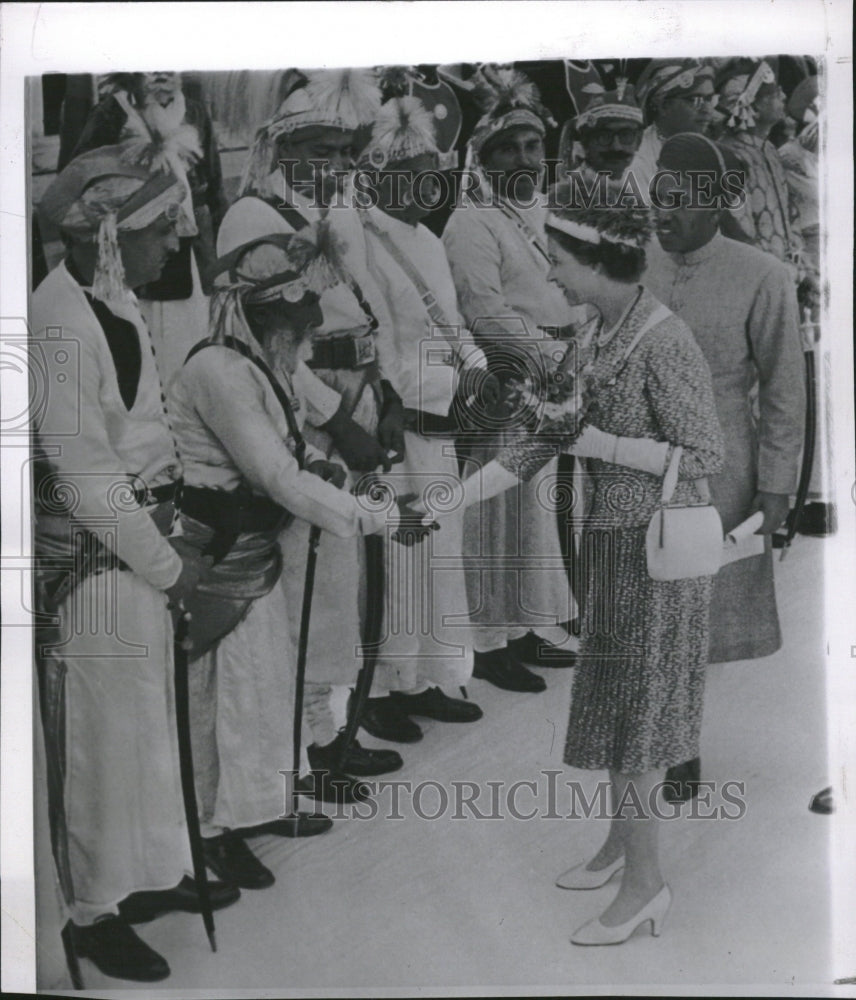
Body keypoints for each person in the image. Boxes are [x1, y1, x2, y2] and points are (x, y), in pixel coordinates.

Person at [443, 190, 724, 945]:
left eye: (559, 260)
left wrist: (605, 448)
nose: (552, 274)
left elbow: (705, 455)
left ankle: (646, 885)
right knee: (615, 709)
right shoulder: (595, 332)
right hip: (611, 545)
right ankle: (619, 845)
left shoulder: (665, 341)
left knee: (639, 725)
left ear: (600, 260)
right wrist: (454, 500)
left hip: (656, 555)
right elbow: (542, 436)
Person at [168, 224, 437, 888]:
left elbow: (291, 448)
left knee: (262, 689)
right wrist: (379, 516)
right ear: (266, 309)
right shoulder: (219, 370)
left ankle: (258, 804)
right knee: (222, 700)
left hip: (259, 551)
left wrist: (324, 463)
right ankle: (211, 830)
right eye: (302, 306)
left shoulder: (267, 357)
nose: (316, 317)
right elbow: (276, 478)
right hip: (221, 557)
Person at [32, 145, 238, 983]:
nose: (176, 245)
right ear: (105, 235)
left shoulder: (112, 299)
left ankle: (143, 878)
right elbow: (84, 476)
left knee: (144, 730)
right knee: (103, 742)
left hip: (141, 550)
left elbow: (144, 437)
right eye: (159, 230)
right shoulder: (57, 317)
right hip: (96, 567)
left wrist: (175, 535)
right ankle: (91, 911)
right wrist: (166, 564)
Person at [221, 69, 408, 780]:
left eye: (341, 150)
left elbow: (370, 309)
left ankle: (331, 733)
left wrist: (384, 397)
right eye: (320, 149)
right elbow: (262, 344)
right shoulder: (254, 216)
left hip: (358, 400)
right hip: (301, 415)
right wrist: (337, 419)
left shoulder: (343, 213)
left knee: (343, 589)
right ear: (284, 146)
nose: (334, 164)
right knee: (309, 583)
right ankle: (300, 754)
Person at [645, 132, 805, 796]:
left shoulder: (762, 275)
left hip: (721, 471)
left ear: (713, 204)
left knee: (692, 610)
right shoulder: (633, 265)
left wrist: (775, 489)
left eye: (681, 202)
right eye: (660, 198)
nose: (666, 214)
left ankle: (678, 742)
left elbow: (785, 389)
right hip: (634, 463)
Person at [355, 96, 498, 738]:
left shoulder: (429, 242)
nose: (424, 188)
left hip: (443, 418)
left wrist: (480, 371)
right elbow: (379, 343)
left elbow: (455, 323)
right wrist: (438, 385)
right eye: (409, 176)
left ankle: (433, 674)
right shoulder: (361, 242)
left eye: (431, 176)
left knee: (441, 554)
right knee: (398, 557)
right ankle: (385, 688)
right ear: (378, 175)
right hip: (400, 421)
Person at [443, 65, 579, 695]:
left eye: (533, 145)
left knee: (533, 512)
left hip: (554, 375)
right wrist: (548, 358)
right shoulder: (471, 221)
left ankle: (526, 626)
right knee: (493, 513)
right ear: (484, 156)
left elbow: (561, 289)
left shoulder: (541, 210)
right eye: (510, 148)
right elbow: (485, 310)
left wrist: (579, 341)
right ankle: (487, 640)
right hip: (508, 380)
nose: (525, 157)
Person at [69, 71, 227, 383]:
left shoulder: (194, 112)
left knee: (191, 357)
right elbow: (79, 182)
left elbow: (214, 188)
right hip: (133, 260)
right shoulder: (112, 113)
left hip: (189, 261)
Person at [715, 59, 802, 267]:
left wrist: (798, 263)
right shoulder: (729, 155)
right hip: (755, 275)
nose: (783, 96)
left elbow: (791, 215)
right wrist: (774, 273)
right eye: (774, 94)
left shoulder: (769, 149)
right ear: (753, 107)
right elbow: (738, 231)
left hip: (786, 273)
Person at [630, 59, 716, 197]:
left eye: (709, 99)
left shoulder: (709, 150)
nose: (707, 110)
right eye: (695, 100)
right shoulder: (638, 161)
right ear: (663, 106)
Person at [565, 78, 644, 182]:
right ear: (585, 143)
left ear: (638, 141)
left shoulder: (646, 177)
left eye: (625, 135)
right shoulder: (571, 191)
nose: (616, 147)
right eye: (604, 137)